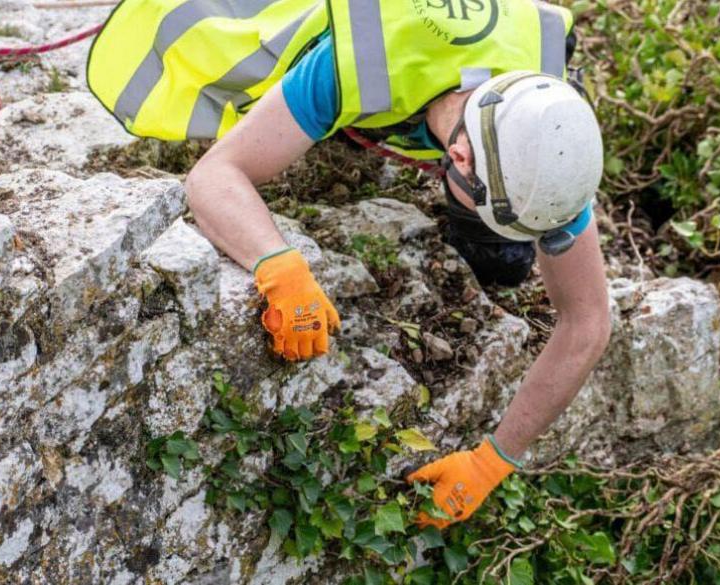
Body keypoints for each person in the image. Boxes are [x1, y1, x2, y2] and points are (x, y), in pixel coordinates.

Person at [88, 0, 611, 529]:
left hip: (458, 86)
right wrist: (278, 265)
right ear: (458, 160)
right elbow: (214, 176)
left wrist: (493, 460)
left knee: (502, 263)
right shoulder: (360, 60)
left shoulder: (538, 122)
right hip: (369, 37)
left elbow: (587, 324)